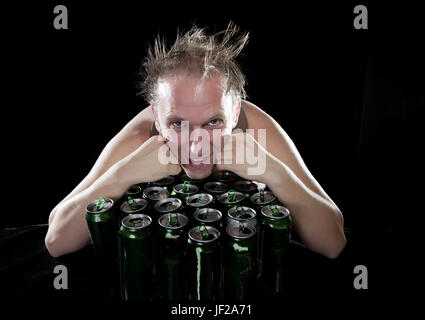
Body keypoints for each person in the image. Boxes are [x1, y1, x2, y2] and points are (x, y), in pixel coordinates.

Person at [45, 22, 346, 259]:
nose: (197, 147)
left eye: (213, 122)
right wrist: (123, 174)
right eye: (178, 124)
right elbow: (56, 239)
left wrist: (273, 171)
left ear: (236, 108)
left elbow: (333, 241)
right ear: (156, 115)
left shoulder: (256, 129)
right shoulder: (140, 136)